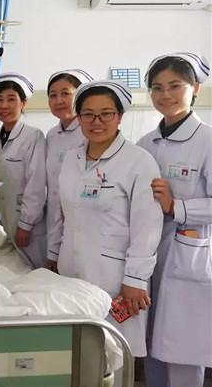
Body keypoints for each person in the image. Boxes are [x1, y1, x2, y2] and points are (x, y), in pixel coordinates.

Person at [52, 80, 163, 359]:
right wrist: (54, 256)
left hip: (115, 277)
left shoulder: (139, 162)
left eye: (106, 114)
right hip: (71, 270)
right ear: (79, 118)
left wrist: (135, 279)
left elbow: (147, 227)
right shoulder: (71, 158)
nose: (97, 121)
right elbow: (63, 213)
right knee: (77, 353)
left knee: (113, 355)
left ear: (120, 117)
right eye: (88, 114)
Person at [137, 53, 211, 387]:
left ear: (195, 88)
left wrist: (176, 207)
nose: (165, 94)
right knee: (152, 343)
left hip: (189, 256)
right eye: (157, 87)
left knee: (184, 347)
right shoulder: (145, 144)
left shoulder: (208, 141)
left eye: (175, 86)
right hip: (149, 256)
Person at [0, 71, 47, 268]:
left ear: (23, 103)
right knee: (16, 269)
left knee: (35, 269)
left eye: (11, 99)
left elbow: (37, 185)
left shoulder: (33, 137)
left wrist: (26, 225)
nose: (4, 105)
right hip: (5, 217)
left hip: (28, 222)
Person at [44, 69, 93, 270]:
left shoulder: (89, 134)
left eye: (66, 93)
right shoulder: (52, 135)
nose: (59, 100)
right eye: (53, 95)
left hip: (83, 221)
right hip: (53, 221)